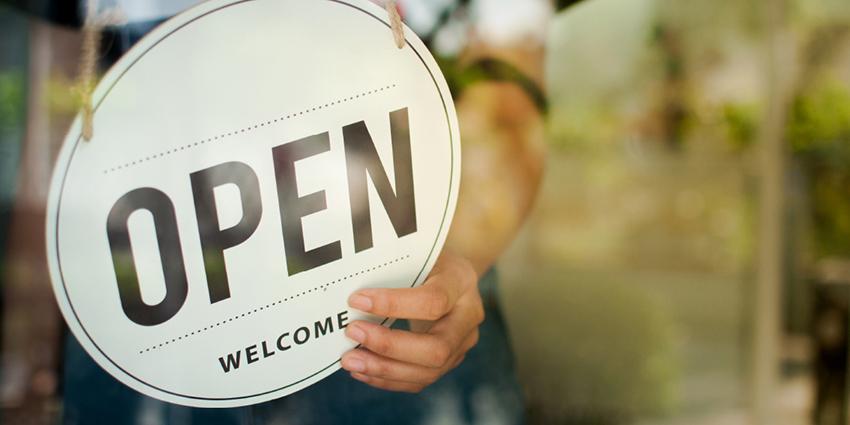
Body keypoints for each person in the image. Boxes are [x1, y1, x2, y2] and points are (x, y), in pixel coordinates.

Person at [1, 0, 581, 423]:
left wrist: (457, 263)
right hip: (144, 344)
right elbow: (61, 101)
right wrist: (32, 329)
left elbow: (506, 87)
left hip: (393, 334)